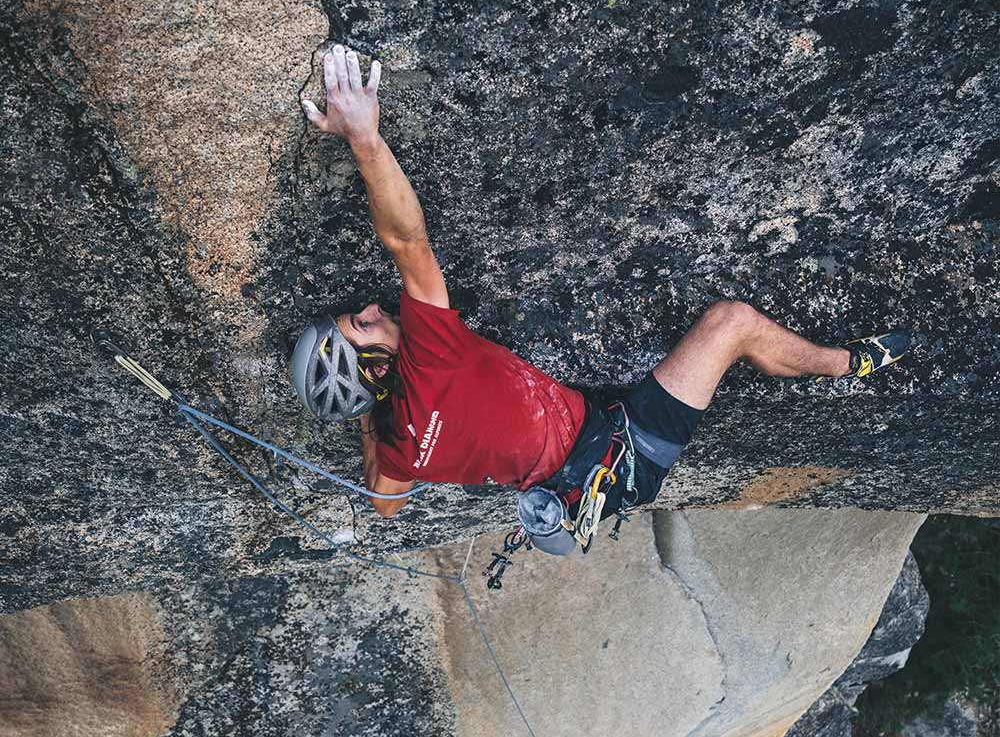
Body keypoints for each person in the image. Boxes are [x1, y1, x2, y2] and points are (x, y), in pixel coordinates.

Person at [293, 44, 910, 548]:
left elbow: (385, 505)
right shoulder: (431, 363)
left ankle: (793, 361)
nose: (375, 309)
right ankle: (843, 363)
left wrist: (374, 422)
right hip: (629, 448)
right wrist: (364, 138)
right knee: (731, 324)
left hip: (581, 469)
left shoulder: (401, 443)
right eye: (363, 326)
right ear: (375, 369)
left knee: (727, 340)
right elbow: (408, 242)